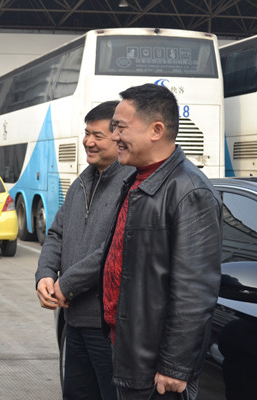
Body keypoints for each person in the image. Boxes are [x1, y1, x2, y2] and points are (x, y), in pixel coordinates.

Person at [101, 83, 222, 400]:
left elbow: (194, 291)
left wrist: (174, 366)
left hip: (156, 370)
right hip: (129, 350)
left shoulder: (189, 191)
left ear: (156, 130)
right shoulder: (137, 180)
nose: (114, 137)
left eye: (121, 127)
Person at [36, 100, 131, 400]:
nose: (88, 142)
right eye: (86, 133)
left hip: (107, 328)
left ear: (117, 138)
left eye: (97, 135)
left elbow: (114, 249)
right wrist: (45, 275)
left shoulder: (131, 185)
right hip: (73, 322)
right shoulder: (80, 183)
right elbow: (56, 233)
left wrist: (67, 284)